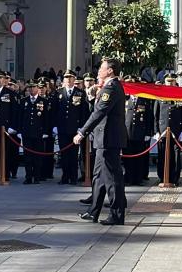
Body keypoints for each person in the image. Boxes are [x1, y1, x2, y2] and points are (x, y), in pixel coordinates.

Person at [74, 58, 128, 225]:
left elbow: (100, 113)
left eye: (102, 68)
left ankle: (117, 214)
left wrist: (82, 132)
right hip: (102, 138)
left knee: (112, 178)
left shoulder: (111, 87)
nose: (98, 71)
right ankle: (93, 211)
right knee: (98, 176)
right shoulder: (107, 87)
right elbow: (98, 109)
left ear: (110, 71)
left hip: (108, 139)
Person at [55, 70, 89, 184]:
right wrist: (54, 126)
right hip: (62, 128)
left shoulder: (80, 93)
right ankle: (65, 177)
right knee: (64, 154)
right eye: (66, 78)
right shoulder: (58, 92)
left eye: (71, 78)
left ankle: (73, 177)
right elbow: (55, 111)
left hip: (75, 129)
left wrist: (81, 127)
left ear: (74, 79)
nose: (68, 80)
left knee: (74, 154)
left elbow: (83, 112)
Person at [153, 74, 182, 186]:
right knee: (162, 155)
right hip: (163, 131)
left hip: (176, 131)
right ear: (165, 82)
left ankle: (174, 178)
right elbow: (156, 115)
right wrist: (156, 131)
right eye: (168, 81)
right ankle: (162, 177)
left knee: (175, 155)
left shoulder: (180, 95)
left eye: (172, 82)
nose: (170, 84)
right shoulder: (160, 96)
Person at [123, 75, 153, 186]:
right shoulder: (124, 98)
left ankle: (138, 178)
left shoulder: (144, 99)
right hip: (126, 133)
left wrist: (148, 133)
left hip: (140, 133)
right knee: (128, 157)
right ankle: (128, 178)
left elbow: (149, 116)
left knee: (139, 157)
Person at [19, 80, 49, 184]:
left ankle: (37, 176)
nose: (31, 89)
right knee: (27, 156)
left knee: (38, 156)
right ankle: (28, 176)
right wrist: (19, 130)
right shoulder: (24, 101)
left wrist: (45, 131)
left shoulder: (43, 101)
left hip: (39, 132)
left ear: (37, 88)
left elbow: (46, 118)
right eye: (30, 87)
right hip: (27, 132)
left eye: (34, 87)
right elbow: (20, 117)